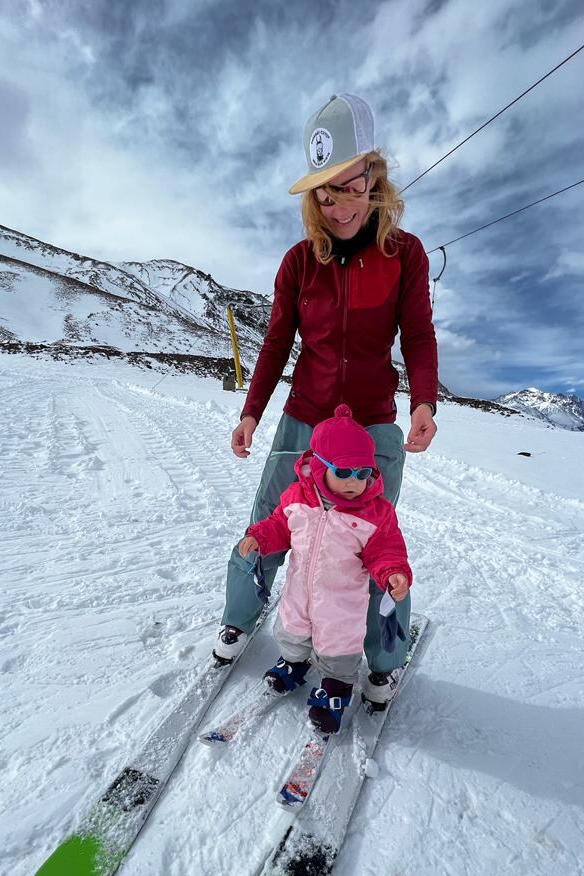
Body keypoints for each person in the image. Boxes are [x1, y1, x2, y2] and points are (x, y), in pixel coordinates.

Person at [215, 92, 438, 704]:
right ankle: (242, 612)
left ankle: (382, 656)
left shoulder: (406, 255)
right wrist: (252, 412)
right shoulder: (297, 263)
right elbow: (276, 342)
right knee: (269, 523)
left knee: (368, 546)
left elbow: (417, 332)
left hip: (371, 432)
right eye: (324, 191)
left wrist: (424, 400)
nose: (337, 203)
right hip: (301, 423)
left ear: (375, 175)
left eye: (349, 184)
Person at [237, 404, 411, 734]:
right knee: (293, 630)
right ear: (320, 467)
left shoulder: (375, 513)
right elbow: (279, 526)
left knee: (338, 646)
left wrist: (393, 573)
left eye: (362, 473)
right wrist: (260, 537)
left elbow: (386, 549)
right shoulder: (297, 497)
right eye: (344, 473)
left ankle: (336, 688)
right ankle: (293, 663)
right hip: (300, 591)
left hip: (341, 602)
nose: (354, 482)